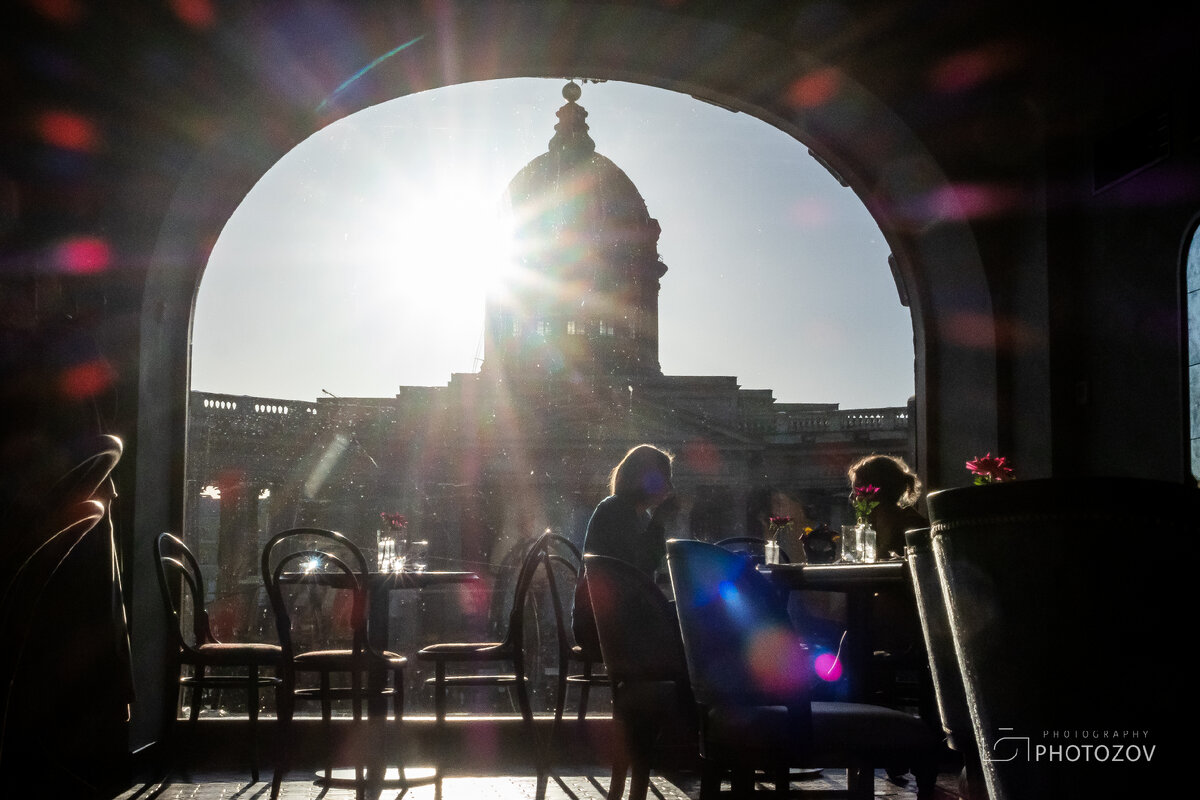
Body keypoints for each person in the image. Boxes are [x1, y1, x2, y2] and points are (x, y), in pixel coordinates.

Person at [572, 443, 677, 655]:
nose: (670, 487)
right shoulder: (616, 511)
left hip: (609, 620)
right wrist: (658, 523)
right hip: (603, 626)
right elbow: (639, 568)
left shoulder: (634, 515)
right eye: (664, 478)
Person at [847, 453, 926, 559]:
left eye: (856, 490)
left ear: (873, 493)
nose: (852, 497)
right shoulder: (870, 525)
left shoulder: (910, 524)